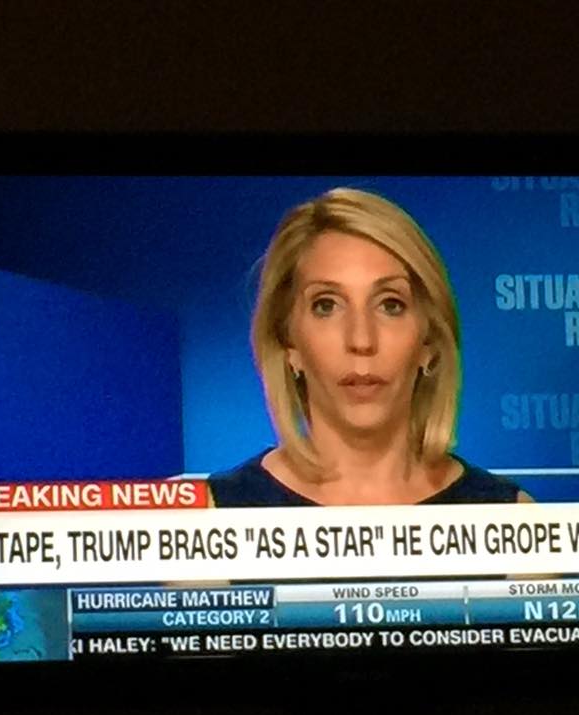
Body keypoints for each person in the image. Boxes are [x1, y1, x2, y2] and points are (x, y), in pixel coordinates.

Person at [209, 188, 531, 507]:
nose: (361, 340)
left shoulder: (510, 517)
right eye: (326, 305)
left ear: (429, 342)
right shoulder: (208, 516)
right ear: (288, 342)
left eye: (390, 305)